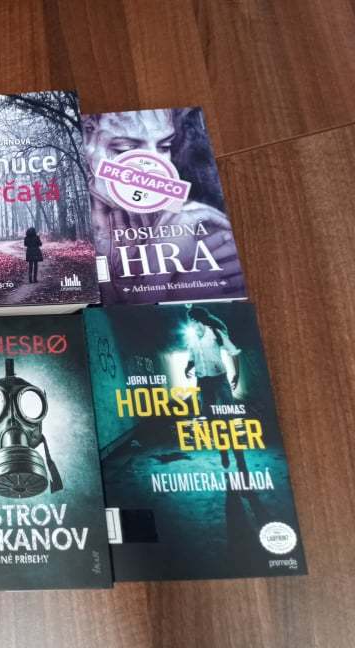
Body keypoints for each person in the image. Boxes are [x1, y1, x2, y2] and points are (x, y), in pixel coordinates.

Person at [83, 109, 243, 299]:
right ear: (84, 143)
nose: (155, 166)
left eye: (164, 146)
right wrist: (159, 283)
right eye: (125, 149)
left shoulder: (199, 223)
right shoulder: (71, 228)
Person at [183, 306, 245, 472]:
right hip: (203, 382)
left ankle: (240, 459)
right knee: (211, 420)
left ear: (197, 320)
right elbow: (192, 358)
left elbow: (234, 352)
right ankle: (223, 450)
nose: (190, 324)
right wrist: (187, 367)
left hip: (220, 380)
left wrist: (237, 374)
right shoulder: (192, 340)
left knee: (228, 418)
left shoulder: (215, 333)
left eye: (191, 320)